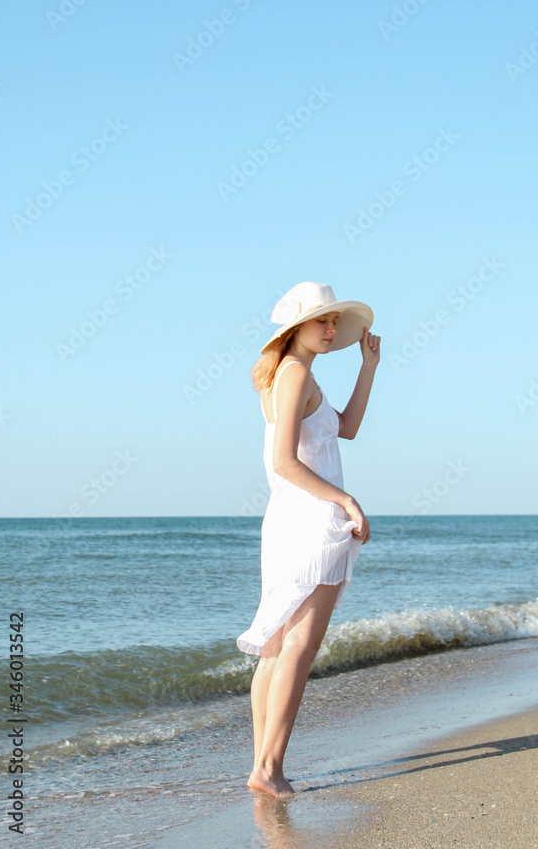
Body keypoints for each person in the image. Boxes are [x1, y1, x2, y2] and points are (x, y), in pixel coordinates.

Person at [237, 281, 380, 798]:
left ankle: (264, 765)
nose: (332, 328)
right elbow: (283, 461)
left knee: (278, 646)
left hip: (287, 520)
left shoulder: (290, 373)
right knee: (297, 646)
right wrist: (347, 500)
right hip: (311, 520)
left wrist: (368, 368)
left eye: (335, 320)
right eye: (322, 319)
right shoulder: (295, 372)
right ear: (297, 326)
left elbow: (347, 428)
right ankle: (268, 768)